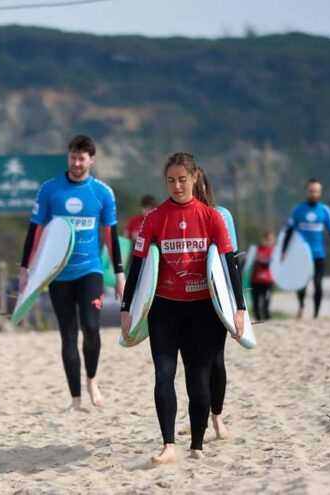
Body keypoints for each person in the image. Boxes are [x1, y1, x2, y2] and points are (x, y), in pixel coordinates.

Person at [120, 152, 245, 464]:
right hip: (166, 308)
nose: (176, 185)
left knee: (199, 378)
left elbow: (229, 267)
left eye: (182, 179)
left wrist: (239, 309)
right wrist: (127, 309)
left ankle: (197, 445)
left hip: (204, 309)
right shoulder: (155, 218)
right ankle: (168, 444)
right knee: (163, 375)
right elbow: (137, 266)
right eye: (171, 180)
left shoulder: (212, 217)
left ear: (194, 179)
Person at [19, 135, 125, 412]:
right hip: (58, 273)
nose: (76, 163)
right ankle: (76, 398)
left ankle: (92, 379)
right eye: (72, 157)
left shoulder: (102, 193)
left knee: (91, 328)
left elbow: (110, 236)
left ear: (92, 159)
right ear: (68, 157)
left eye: (82, 158)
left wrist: (120, 273)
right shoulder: (50, 190)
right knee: (67, 334)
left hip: (90, 271)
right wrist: (25, 269)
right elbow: (35, 231)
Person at [190, 167, 237, 440]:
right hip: (185, 299)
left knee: (216, 361)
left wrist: (236, 306)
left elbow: (231, 262)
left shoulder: (222, 216)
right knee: (195, 362)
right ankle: (200, 420)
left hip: (215, 297)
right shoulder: (175, 216)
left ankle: (216, 417)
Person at [282, 178, 330, 319]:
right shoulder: (298, 210)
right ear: (307, 191)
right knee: (302, 284)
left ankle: (316, 314)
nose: (314, 194)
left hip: (318, 254)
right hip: (301, 255)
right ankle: (301, 306)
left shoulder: (324, 211)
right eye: (311, 191)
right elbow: (289, 231)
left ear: (320, 192)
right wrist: (283, 251)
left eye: (316, 191)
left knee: (318, 284)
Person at [251, 231, 275, 321]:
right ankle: (257, 318)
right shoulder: (256, 249)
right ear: (263, 239)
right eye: (268, 239)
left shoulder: (273, 251)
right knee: (255, 302)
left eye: (272, 240)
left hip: (267, 282)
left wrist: (259, 261)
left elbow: (268, 265)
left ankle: (267, 317)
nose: (270, 241)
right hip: (256, 281)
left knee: (266, 301)